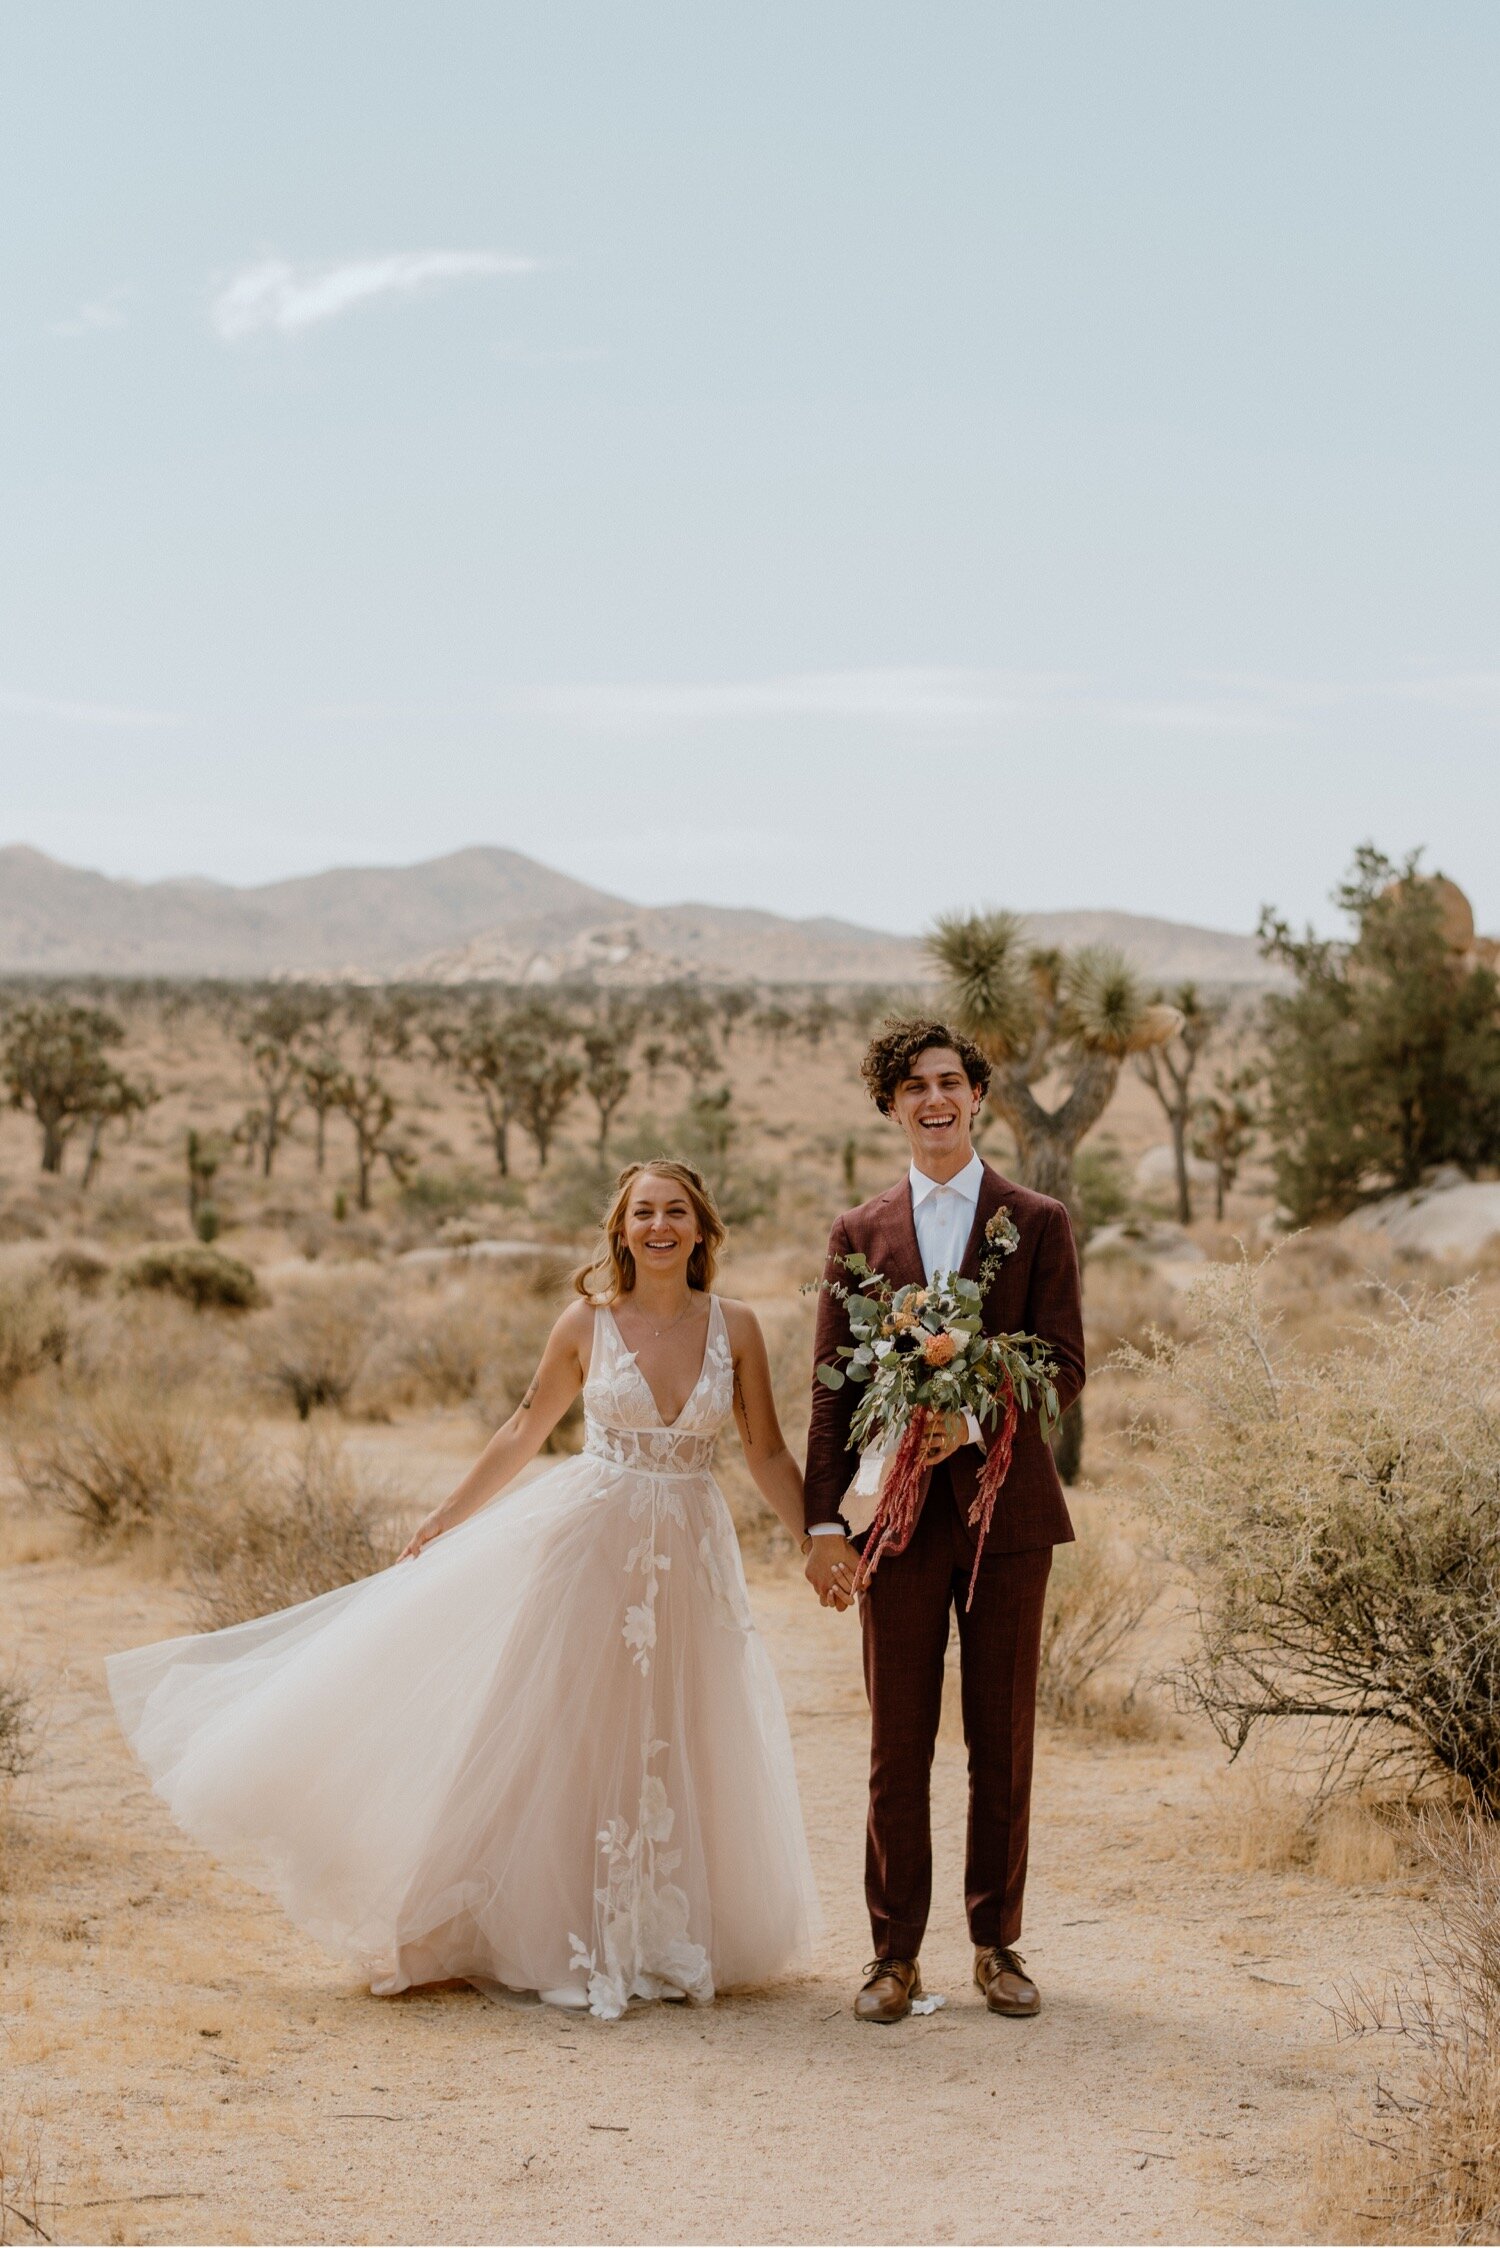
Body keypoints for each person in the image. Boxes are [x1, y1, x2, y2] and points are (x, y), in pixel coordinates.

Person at [109, 1160, 820, 2021]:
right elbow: (525, 1425)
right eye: (643, 1213)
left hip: (692, 1553)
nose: (659, 1226)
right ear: (621, 1230)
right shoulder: (586, 1322)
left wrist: (818, 1542)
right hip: (590, 1548)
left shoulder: (736, 1327)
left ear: (702, 1228)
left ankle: (660, 1928)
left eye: (676, 1212)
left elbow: (767, 1452)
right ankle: (530, 1925)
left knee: (687, 1727)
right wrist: (445, 1519)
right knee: (564, 1730)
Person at [801, 1019, 1085, 2024]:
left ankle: (996, 1942)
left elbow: (1061, 1362)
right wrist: (824, 1524)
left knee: (1000, 1735)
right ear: (891, 1105)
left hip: (1007, 1518)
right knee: (895, 1742)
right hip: (896, 1524)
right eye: (914, 1085)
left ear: (977, 1096)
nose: (934, 1098)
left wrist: (969, 1414)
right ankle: (892, 1956)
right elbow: (833, 1391)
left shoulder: (1035, 1218)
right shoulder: (858, 1231)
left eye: (950, 1081)